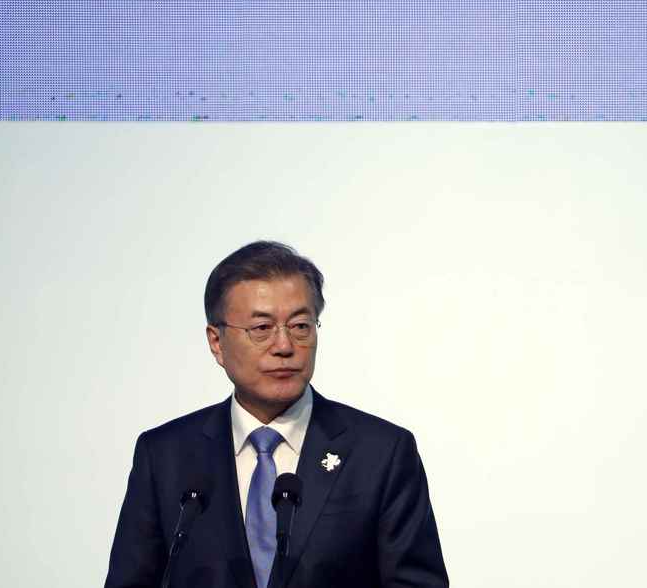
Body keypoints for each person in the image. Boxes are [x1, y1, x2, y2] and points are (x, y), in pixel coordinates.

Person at [104, 241, 449, 588]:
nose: (284, 346)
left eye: (300, 326)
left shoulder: (381, 453)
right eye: (262, 328)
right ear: (217, 342)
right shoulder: (165, 456)